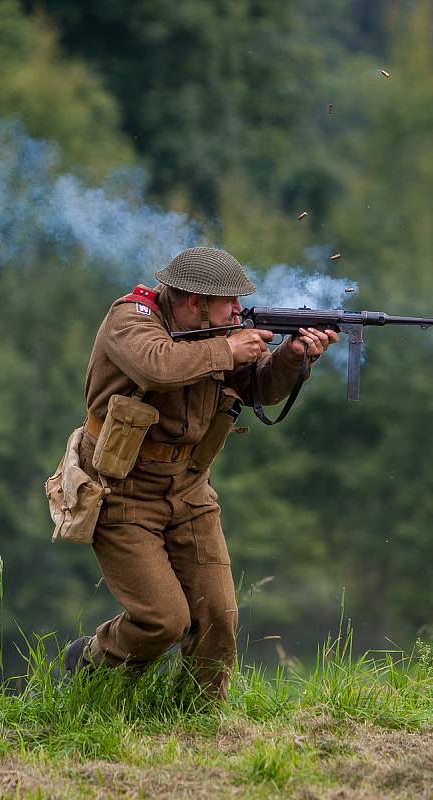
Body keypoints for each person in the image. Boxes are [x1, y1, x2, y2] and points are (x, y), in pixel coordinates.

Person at [65, 246, 338, 701]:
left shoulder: (220, 332)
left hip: (189, 487)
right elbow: (158, 366)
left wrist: (293, 357)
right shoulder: (130, 320)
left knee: (219, 615)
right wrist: (227, 349)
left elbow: (258, 390)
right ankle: (93, 670)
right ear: (195, 301)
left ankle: (200, 714)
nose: (239, 310)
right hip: (122, 490)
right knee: (163, 620)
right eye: (229, 302)